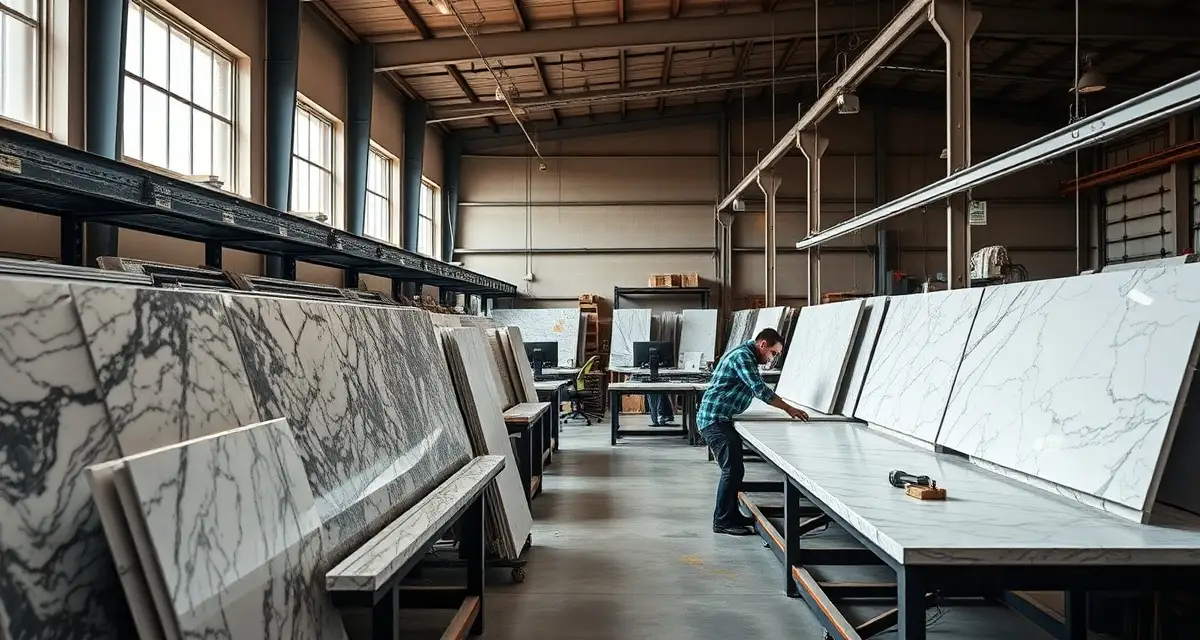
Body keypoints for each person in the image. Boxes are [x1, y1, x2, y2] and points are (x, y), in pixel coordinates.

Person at [698, 328, 809, 536]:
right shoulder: (743, 356)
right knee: (732, 470)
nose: (771, 359)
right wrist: (789, 409)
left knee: (736, 469)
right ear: (763, 345)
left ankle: (731, 514)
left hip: (721, 419)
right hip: (714, 420)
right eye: (773, 353)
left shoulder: (746, 355)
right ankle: (721, 521)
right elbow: (759, 389)